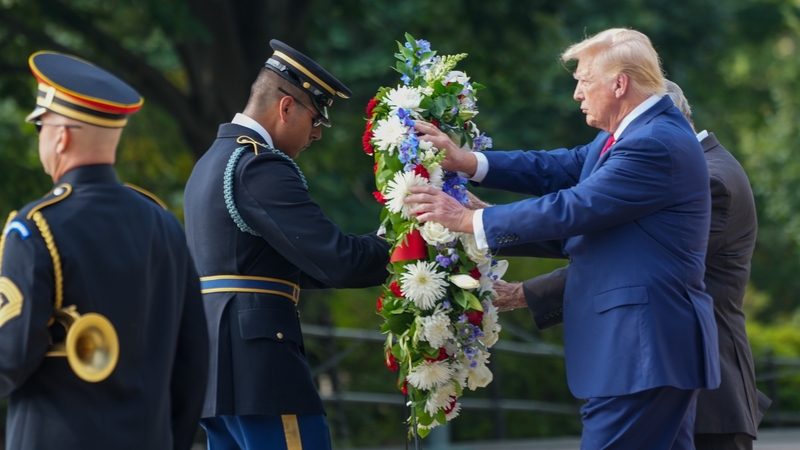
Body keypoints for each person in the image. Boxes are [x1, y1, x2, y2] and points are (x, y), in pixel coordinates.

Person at [406, 28, 720, 449]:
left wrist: (466, 219)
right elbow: (557, 168)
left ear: (619, 83)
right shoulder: (633, 134)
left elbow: (576, 206)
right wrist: (467, 161)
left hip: (641, 351)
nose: (576, 93)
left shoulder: (654, 142)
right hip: (649, 351)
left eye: (583, 80)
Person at [495, 80, 771, 450]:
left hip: (697, 384)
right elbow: (602, 228)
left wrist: (522, 293)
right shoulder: (695, 164)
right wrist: (492, 224)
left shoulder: (707, 178)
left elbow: (630, 261)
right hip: (676, 371)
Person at [184, 40, 390, 449]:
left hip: (213, 369)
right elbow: (340, 261)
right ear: (286, 108)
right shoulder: (259, 164)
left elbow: (274, 264)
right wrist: (401, 237)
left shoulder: (211, 162)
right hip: (260, 370)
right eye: (316, 118)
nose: (316, 133)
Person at [0, 51, 208, 450]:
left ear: (61, 136)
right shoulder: (163, 224)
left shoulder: (35, 226)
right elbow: (193, 362)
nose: (41, 135)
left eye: (40, 125)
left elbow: (10, 357)